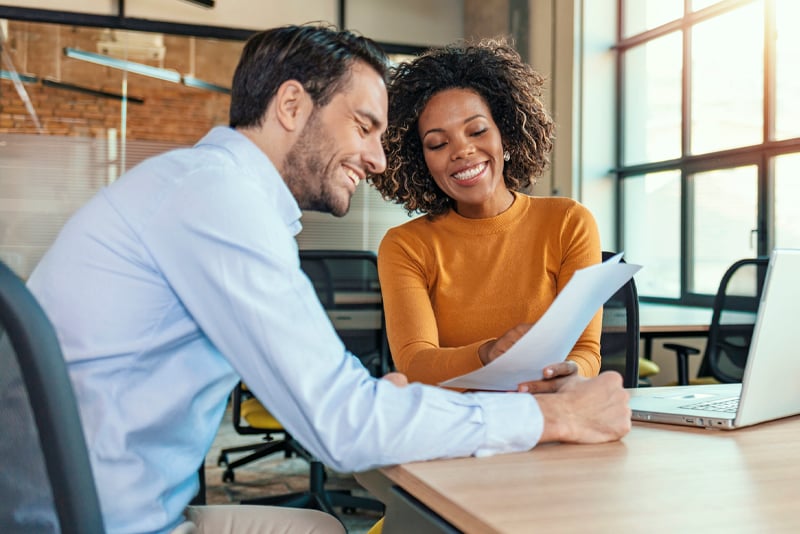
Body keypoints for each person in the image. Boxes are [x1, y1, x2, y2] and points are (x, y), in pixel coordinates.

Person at [26, 24, 630, 534]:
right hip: (91, 521)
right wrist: (557, 419)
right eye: (365, 126)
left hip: (109, 504)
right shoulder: (216, 200)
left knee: (319, 526)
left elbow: (339, 404)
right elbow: (342, 425)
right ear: (292, 107)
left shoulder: (207, 190)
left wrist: (383, 405)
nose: (378, 158)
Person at [371, 38, 603, 390]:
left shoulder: (569, 222)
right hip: (455, 423)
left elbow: (586, 350)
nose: (462, 150)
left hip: (548, 413)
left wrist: (570, 373)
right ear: (421, 161)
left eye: (477, 130)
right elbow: (415, 363)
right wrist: (488, 354)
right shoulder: (405, 245)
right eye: (437, 143)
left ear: (506, 136)